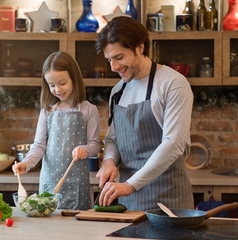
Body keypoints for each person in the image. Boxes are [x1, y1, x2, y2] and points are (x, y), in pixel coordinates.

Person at [95, 16, 194, 211]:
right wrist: (108, 161)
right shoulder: (118, 92)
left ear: (140, 47)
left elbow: (173, 144)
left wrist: (130, 185)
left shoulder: (172, 84)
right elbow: (112, 139)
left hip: (168, 201)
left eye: (119, 57)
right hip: (128, 202)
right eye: (109, 60)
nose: (114, 67)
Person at [13, 51, 100, 210]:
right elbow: (39, 146)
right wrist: (26, 164)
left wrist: (84, 149)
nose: (57, 89)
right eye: (52, 85)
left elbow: (94, 145)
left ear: (74, 78)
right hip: (49, 181)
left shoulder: (89, 110)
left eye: (62, 83)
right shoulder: (47, 111)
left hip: (77, 183)